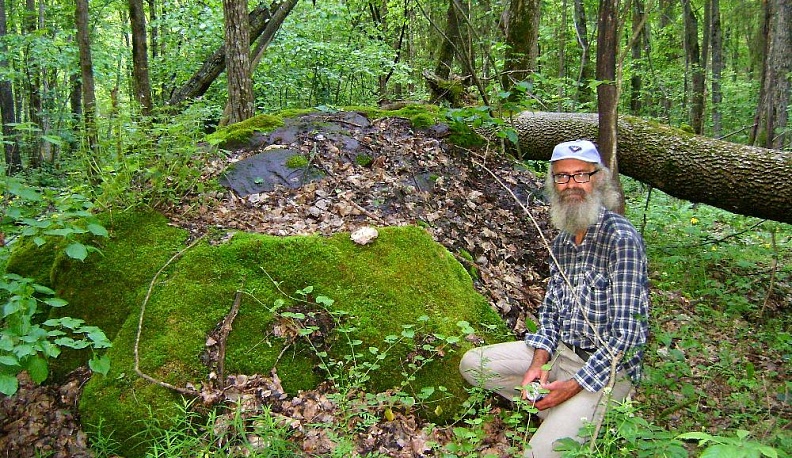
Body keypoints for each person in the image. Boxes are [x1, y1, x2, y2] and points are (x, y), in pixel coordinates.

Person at [459, 139, 650, 457]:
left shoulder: (621, 239)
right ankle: (559, 413)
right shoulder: (562, 242)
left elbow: (629, 335)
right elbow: (550, 314)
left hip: (605, 371)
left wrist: (574, 385)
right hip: (562, 356)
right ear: (553, 182)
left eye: (581, 175)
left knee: (538, 455)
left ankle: (579, 414)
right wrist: (539, 362)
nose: (571, 184)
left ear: (598, 179)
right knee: (473, 365)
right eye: (562, 176)